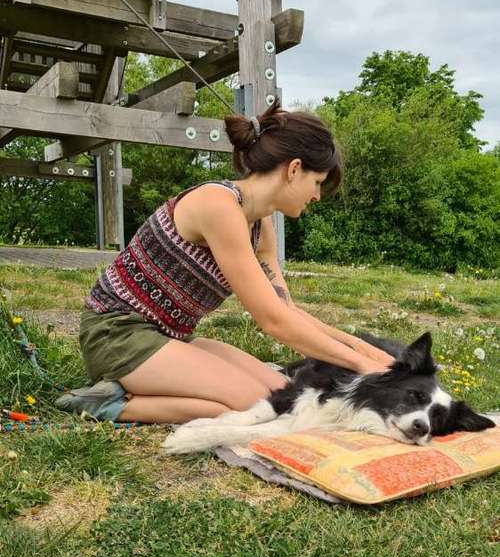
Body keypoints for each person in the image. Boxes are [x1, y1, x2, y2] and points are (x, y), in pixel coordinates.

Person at [57, 100, 394, 424]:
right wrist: (362, 364)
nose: (317, 196)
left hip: (167, 338)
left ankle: (127, 388)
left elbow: (286, 310)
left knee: (283, 393)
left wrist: (366, 350)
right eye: (317, 182)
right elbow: (273, 321)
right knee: (260, 405)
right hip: (116, 334)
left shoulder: (260, 228)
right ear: (293, 169)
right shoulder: (218, 205)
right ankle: (114, 404)